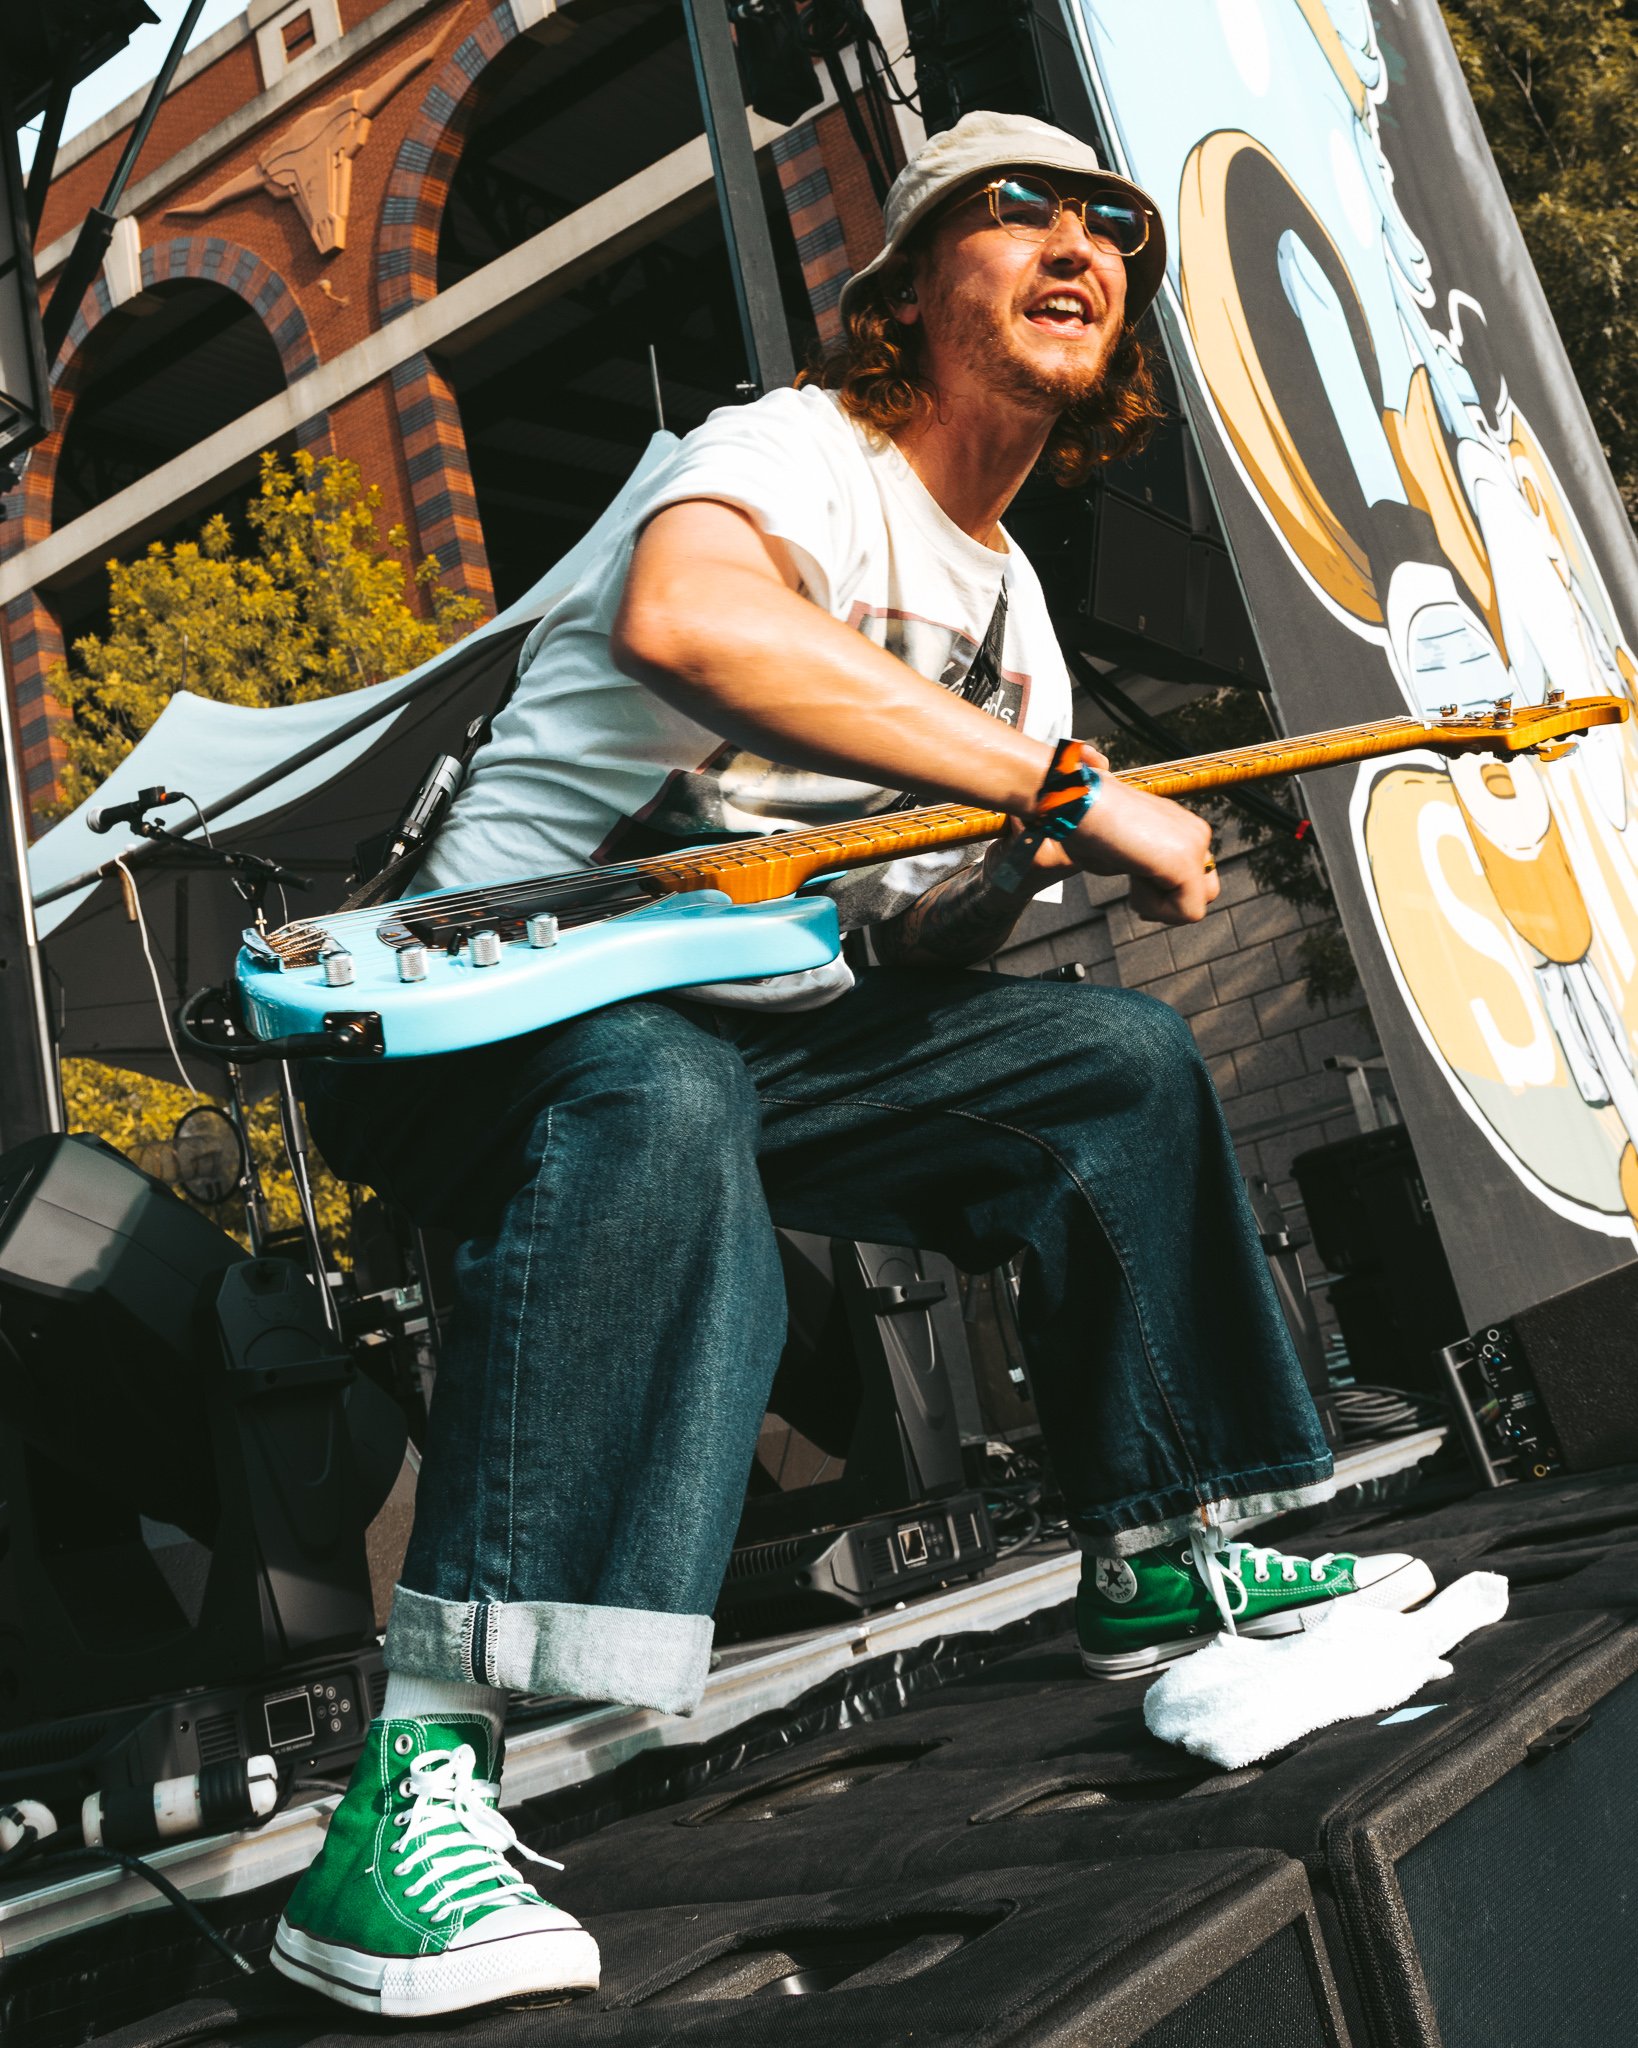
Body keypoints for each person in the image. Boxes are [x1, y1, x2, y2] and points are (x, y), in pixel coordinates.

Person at [271, 111, 1433, 2018]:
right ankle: (407, 1799)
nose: (1076, 242)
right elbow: (690, 620)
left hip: (745, 1015)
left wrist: (1025, 867)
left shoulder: (1017, 628)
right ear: (906, 288)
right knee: (658, 1094)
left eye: (1107, 228)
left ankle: (1166, 1550)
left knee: (1109, 1063)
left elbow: (900, 946)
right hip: (473, 1000)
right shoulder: (790, 450)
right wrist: (1058, 791)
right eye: (1016, 211)